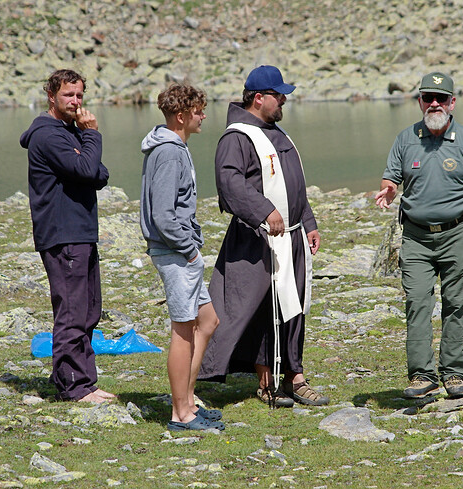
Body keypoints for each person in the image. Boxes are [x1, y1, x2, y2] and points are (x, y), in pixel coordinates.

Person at [198, 65, 328, 408]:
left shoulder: (277, 133)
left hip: (292, 237)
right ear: (259, 98)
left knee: (294, 306)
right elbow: (230, 183)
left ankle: (295, 377)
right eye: (278, 94)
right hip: (258, 239)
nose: (284, 99)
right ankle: (265, 380)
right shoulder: (237, 137)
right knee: (260, 310)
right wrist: (263, 211)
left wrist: (309, 221)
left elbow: (293, 186)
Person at [374, 71, 463, 400]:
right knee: (416, 301)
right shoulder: (405, 139)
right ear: (419, 101)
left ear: (452, 102)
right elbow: (392, 179)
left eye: (440, 98)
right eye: (427, 97)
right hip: (415, 237)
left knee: (456, 303)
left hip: (459, 234)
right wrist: (388, 190)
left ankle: (454, 372)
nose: (434, 104)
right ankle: (421, 375)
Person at [20, 69, 114, 404]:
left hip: (81, 232)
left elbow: (97, 174)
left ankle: (81, 380)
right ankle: (74, 387)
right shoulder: (49, 135)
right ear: (51, 95)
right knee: (73, 310)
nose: (75, 102)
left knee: (89, 310)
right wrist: (92, 137)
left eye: (79, 95)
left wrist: (85, 156)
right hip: (63, 234)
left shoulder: (68, 132)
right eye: (68, 95)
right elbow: (89, 169)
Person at [140, 84, 224, 431]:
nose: (204, 115)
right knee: (183, 330)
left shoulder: (172, 147)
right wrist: (189, 248)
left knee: (207, 322)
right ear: (182, 116)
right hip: (175, 253)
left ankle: (189, 400)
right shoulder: (171, 152)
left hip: (180, 251)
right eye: (199, 110)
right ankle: (181, 414)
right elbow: (163, 213)